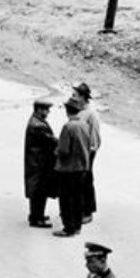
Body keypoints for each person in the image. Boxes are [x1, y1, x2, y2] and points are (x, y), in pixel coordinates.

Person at [53, 96, 92, 237]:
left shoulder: (68, 127)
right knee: (77, 198)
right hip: (82, 167)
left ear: (67, 111)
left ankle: (68, 228)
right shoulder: (84, 125)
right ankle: (76, 226)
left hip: (68, 169)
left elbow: (63, 150)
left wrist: (56, 151)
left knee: (66, 199)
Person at [24, 97, 58, 228]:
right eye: (46, 110)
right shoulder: (38, 125)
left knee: (38, 191)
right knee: (39, 191)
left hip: (36, 162)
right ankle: (37, 218)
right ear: (39, 110)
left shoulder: (36, 121)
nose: (48, 112)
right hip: (39, 163)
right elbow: (51, 141)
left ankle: (36, 215)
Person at [73, 82, 101, 224]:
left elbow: (94, 135)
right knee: (79, 180)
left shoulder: (90, 114)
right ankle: (80, 209)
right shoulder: (80, 111)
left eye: (75, 96)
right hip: (80, 151)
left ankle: (88, 211)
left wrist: (91, 151)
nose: (73, 98)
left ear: (83, 97)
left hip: (88, 151)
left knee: (86, 180)